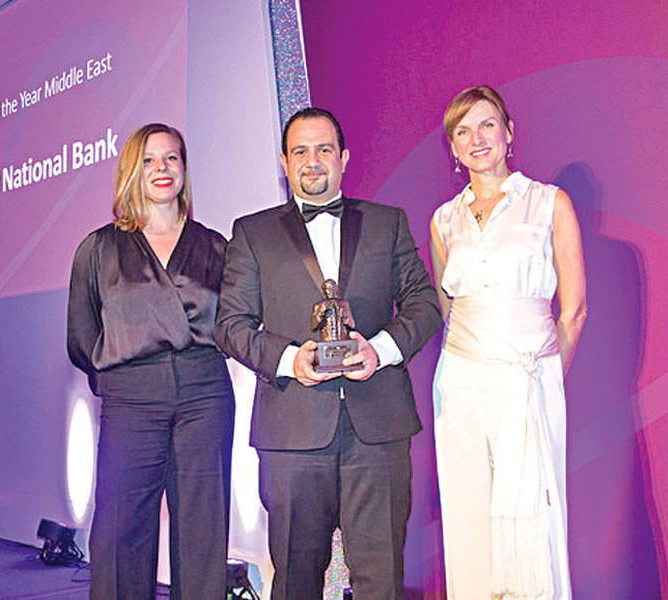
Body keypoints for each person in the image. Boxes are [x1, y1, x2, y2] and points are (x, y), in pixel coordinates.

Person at [215, 107, 440, 599]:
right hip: (292, 434)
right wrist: (290, 359)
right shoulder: (252, 233)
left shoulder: (387, 223)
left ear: (344, 158)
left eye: (323, 149)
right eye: (300, 151)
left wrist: (379, 350)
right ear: (284, 162)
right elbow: (230, 325)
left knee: (381, 582)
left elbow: (425, 304)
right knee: (295, 583)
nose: (312, 161)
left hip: (378, 432)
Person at [430, 86, 587, 600]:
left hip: (528, 378)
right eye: (463, 131)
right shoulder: (444, 219)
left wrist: (544, 376)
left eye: (487, 125)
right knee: (468, 514)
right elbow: (448, 309)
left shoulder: (548, 202)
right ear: (454, 148)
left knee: (535, 513)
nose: (477, 139)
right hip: (460, 383)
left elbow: (574, 310)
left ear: (509, 132)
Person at [67, 123, 235, 599]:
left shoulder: (215, 245)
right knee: (120, 531)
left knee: (203, 531)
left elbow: (234, 323)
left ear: (184, 169)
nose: (162, 168)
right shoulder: (99, 248)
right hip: (131, 398)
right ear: (131, 170)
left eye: (171, 158)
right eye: (148, 159)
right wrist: (121, 383)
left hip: (204, 394)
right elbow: (82, 335)